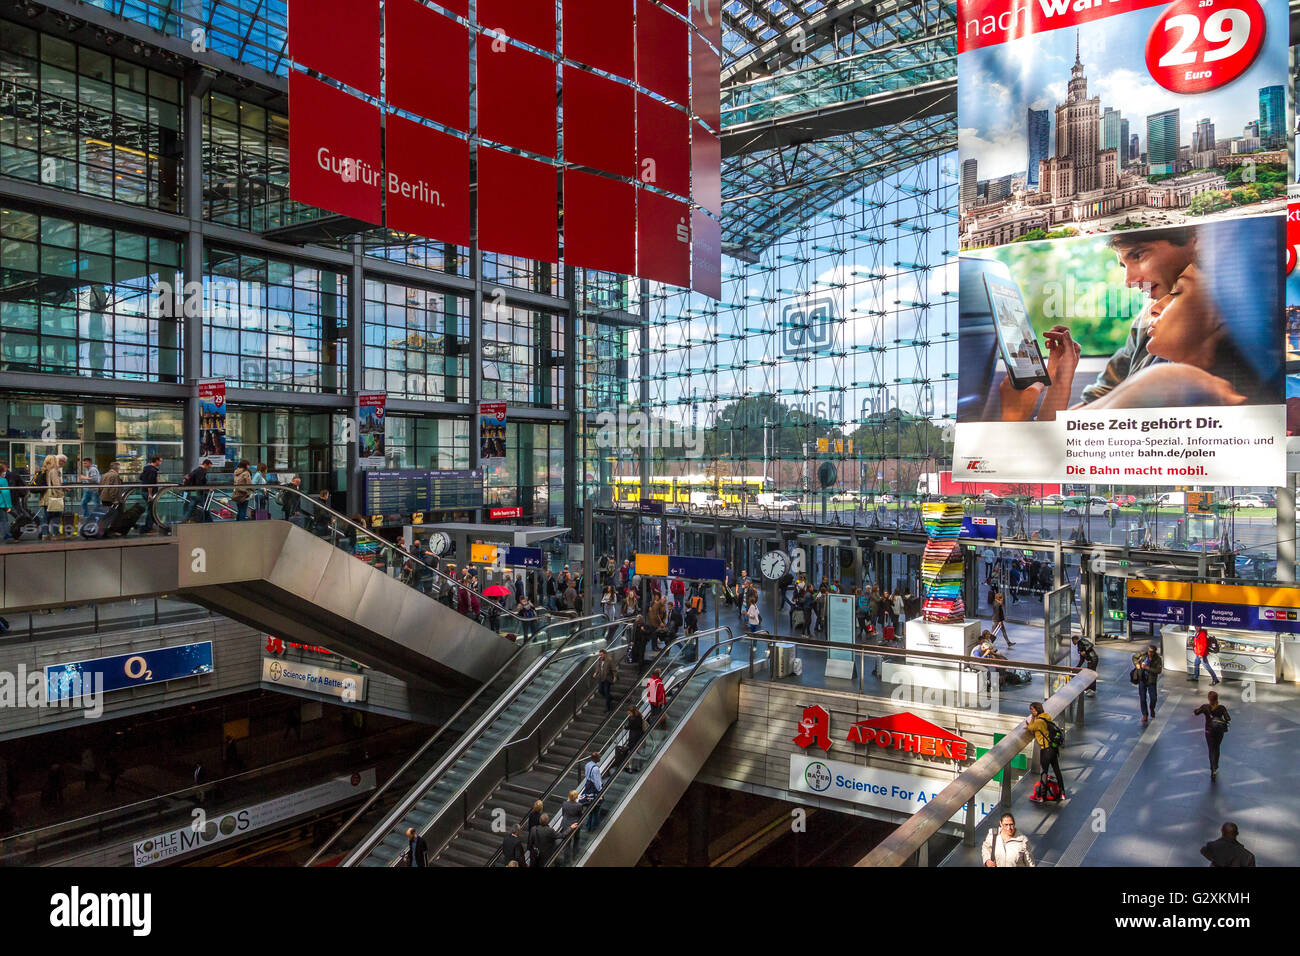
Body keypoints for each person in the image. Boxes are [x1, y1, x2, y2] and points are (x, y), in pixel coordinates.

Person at [1027, 701, 1065, 796]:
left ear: (1036, 710)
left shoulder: (1038, 722)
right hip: (1053, 748)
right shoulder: (1046, 716)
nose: (1031, 711)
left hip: (1045, 750)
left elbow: (1030, 728)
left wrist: (1032, 719)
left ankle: (1042, 796)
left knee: (1044, 772)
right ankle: (1062, 793)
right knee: (1057, 771)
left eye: (1032, 709)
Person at [1193, 690, 1231, 781]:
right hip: (1219, 732)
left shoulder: (1205, 707)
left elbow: (1196, 712)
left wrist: (1197, 710)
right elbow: (1228, 718)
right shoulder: (1221, 708)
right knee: (1217, 748)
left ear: (1209, 699)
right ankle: (1216, 766)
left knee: (1211, 749)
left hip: (1209, 731)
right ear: (1217, 698)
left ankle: (1213, 769)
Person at [1132, 643, 1163, 726]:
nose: (1150, 653)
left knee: (1153, 698)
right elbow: (1134, 657)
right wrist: (1137, 665)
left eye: (1152, 652)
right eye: (1149, 651)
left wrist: (1148, 668)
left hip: (1151, 681)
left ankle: (1152, 708)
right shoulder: (1143, 655)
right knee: (1142, 698)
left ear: (1155, 652)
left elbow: (1158, 671)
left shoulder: (1158, 659)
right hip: (1142, 679)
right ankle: (1145, 714)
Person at [37, 454, 66, 539]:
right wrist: (62, 492)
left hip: (45, 496)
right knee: (57, 514)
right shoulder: (53, 471)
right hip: (53, 496)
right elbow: (56, 485)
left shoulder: (44, 470)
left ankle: (44, 534)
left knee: (46, 515)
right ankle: (55, 534)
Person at [139, 454, 162, 534]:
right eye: (160, 461)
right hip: (149, 493)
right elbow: (150, 483)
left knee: (151, 509)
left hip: (144, 491)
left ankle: (150, 526)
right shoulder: (152, 470)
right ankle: (147, 528)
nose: (161, 462)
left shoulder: (146, 468)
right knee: (151, 510)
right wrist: (150, 494)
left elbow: (141, 477)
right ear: (156, 461)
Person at [559, 789, 584, 862]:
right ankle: (575, 856)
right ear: (576, 797)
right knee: (576, 840)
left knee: (567, 843)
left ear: (569, 796)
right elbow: (580, 815)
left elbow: (563, 813)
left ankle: (566, 860)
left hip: (566, 824)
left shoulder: (564, 803)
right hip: (575, 825)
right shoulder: (579, 805)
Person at [581, 751, 604, 830]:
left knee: (590, 808)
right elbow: (597, 782)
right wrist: (601, 791)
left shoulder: (587, 765)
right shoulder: (596, 769)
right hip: (594, 790)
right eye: (598, 757)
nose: (600, 758)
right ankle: (594, 826)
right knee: (596, 809)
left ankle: (588, 826)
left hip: (588, 787)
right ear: (595, 758)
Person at [592, 648, 618, 713]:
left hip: (607, 678)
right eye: (599, 655)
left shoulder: (609, 660)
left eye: (601, 655)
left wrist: (615, 676)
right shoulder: (600, 660)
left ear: (605, 654)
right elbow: (598, 667)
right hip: (601, 677)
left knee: (606, 692)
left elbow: (613, 669)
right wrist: (596, 673)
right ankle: (610, 697)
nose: (600, 656)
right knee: (600, 690)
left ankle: (608, 708)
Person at [0, 462, 11, 544]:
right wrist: (8, 505)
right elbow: (6, 493)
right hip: (1, 504)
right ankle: (7, 535)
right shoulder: (3, 480)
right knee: (4, 520)